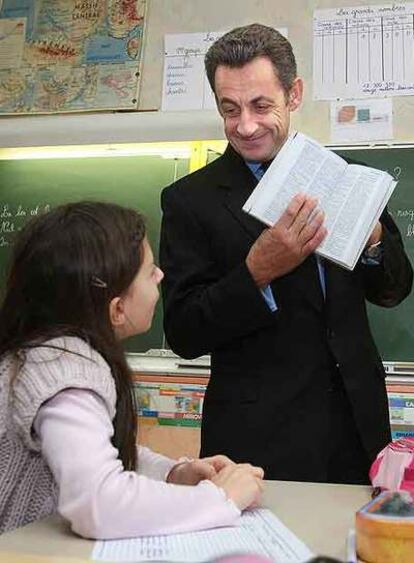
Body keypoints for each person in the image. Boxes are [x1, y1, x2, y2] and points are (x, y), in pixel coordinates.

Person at [160, 23, 413, 485]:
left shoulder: (347, 176)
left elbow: (395, 290)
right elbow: (183, 331)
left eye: (261, 106)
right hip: (257, 442)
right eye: (229, 109)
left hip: (359, 427)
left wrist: (373, 236)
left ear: (293, 94)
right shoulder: (189, 201)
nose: (245, 125)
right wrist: (256, 272)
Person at [0, 201, 264, 537]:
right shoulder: (65, 372)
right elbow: (99, 503)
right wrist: (219, 498)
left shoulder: (49, 353)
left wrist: (173, 474)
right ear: (117, 309)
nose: (161, 275)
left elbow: (98, 453)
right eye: (150, 270)